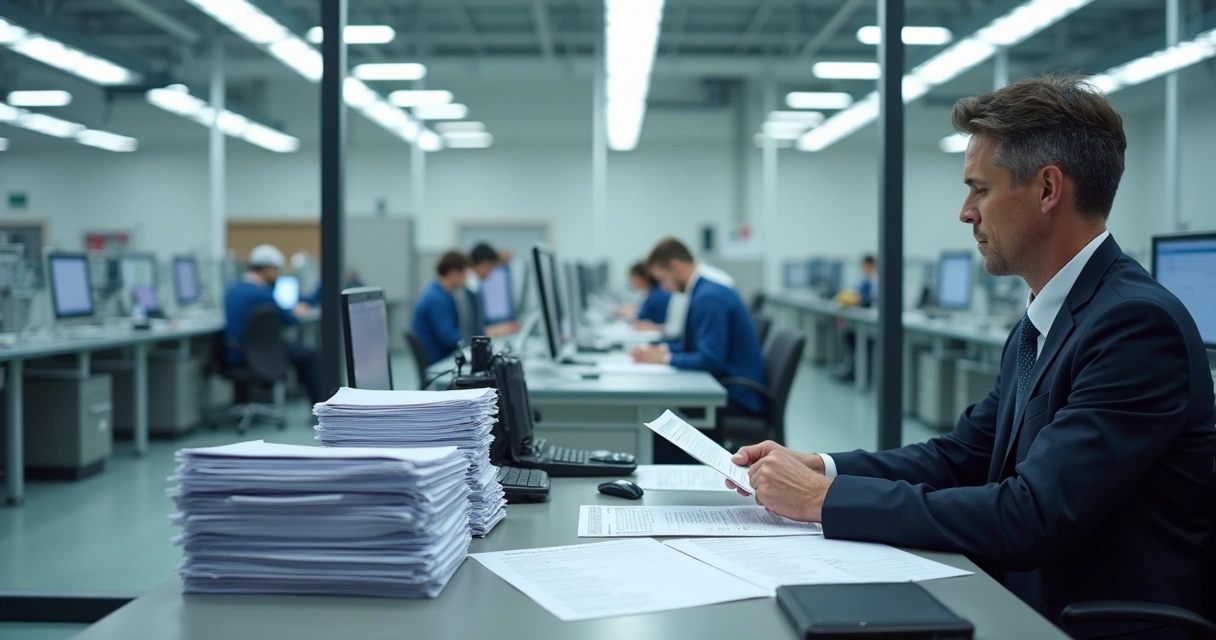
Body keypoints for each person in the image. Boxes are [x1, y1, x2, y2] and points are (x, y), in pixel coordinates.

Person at [728, 76, 1216, 636]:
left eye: (980, 189)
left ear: (1047, 189)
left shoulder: (1134, 326)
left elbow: (1029, 515)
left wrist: (825, 499)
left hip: (1081, 620)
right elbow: (959, 456)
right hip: (1020, 596)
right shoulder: (1045, 320)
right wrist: (824, 467)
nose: (966, 213)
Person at [634, 238, 768, 427]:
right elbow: (695, 346)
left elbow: (710, 360)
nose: (662, 287)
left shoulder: (709, 297)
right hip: (727, 386)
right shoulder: (704, 290)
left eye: (662, 279)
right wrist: (663, 351)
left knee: (655, 422)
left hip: (737, 398)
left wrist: (665, 358)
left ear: (676, 267)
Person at [223, 244, 321, 404]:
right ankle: (320, 406)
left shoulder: (231, 290)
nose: (278, 275)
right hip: (259, 353)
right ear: (267, 269)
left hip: (234, 352)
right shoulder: (263, 294)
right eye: (276, 270)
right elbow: (288, 320)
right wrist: (298, 311)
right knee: (309, 355)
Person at [411, 251, 470, 365]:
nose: (466, 278)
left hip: (441, 357)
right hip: (438, 362)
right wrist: (474, 339)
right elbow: (449, 339)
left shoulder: (441, 293)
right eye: (464, 273)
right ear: (453, 273)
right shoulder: (437, 299)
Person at [833, 255, 878, 382]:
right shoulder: (864, 282)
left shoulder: (877, 282)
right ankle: (852, 369)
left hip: (872, 322)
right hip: (864, 317)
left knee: (855, 335)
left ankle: (859, 374)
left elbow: (870, 300)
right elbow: (859, 297)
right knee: (848, 333)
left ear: (872, 266)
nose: (865, 268)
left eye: (867, 266)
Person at [466, 242, 520, 337]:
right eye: (491, 267)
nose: (491, 273)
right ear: (483, 264)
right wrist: (496, 331)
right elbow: (471, 332)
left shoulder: (473, 287)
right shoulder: (469, 290)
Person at [627, 261, 671, 331]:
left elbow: (641, 319)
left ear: (643, 277)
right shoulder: (654, 293)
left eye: (633, 278)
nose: (631, 281)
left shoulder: (657, 296)